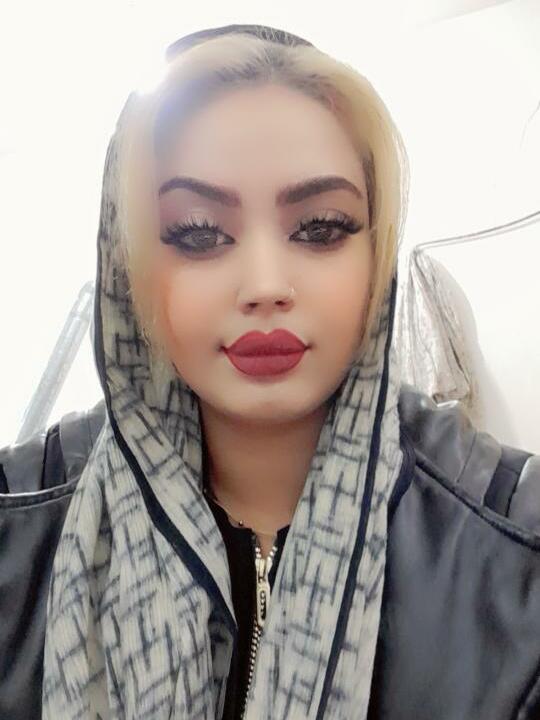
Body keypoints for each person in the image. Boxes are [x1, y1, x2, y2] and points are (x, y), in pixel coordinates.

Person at [0, 23, 538, 720]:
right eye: (198, 233)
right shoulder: (17, 534)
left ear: (376, 253)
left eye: (321, 228)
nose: (264, 285)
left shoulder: (516, 554)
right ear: (129, 266)